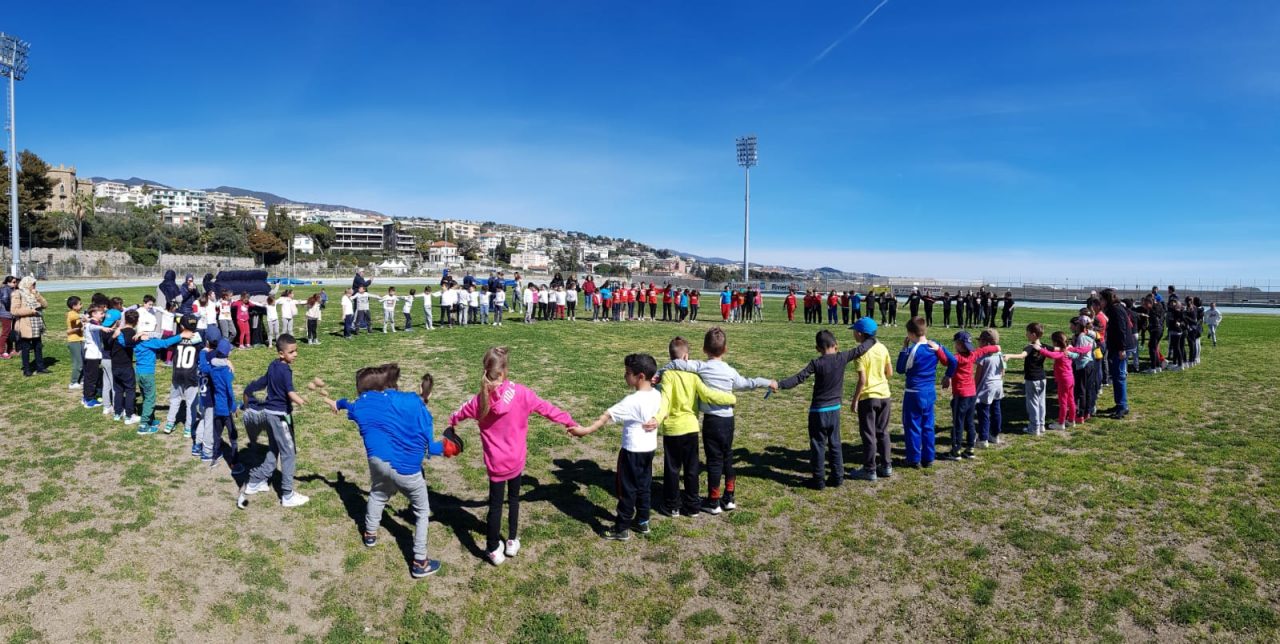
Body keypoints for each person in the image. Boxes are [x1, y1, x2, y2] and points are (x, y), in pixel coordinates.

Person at [446, 347, 578, 565]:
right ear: (504, 372)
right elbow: (547, 408)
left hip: (495, 465)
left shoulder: (478, 401)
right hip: (516, 461)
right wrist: (570, 422)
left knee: (495, 505)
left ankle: (492, 549)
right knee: (514, 500)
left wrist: (451, 427)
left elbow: (456, 414)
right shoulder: (522, 393)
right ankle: (511, 540)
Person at [328, 364, 445, 578]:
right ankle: (420, 562)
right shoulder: (395, 401)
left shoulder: (361, 406)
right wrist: (424, 395)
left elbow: (349, 404)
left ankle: (370, 533)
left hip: (378, 463)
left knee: (378, 494)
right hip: (407, 469)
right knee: (421, 511)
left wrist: (338, 403)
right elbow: (416, 410)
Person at [659, 327, 772, 512]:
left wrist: (659, 372)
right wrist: (767, 382)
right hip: (729, 421)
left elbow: (677, 363)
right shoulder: (730, 371)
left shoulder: (700, 367)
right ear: (725, 349)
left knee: (714, 460)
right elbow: (747, 383)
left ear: (704, 349)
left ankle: (713, 501)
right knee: (728, 457)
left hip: (712, 422)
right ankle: (729, 497)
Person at [569, 353, 664, 541]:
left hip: (631, 453)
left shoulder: (631, 401)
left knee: (627, 489)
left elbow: (605, 417)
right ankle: (643, 521)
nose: (625, 376)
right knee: (644, 486)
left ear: (641, 377)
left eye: (628, 373)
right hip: (648, 451)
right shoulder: (657, 395)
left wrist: (585, 430)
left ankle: (621, 527)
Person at [777, 329, 877, 489]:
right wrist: (872, 338)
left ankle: (818, 480)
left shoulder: (816, 363)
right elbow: (861, 349)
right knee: (835, 444)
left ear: (817, 349)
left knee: (818, 445)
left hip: (818, 412)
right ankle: (837, 477)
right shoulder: (842, 357)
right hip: (834, 410)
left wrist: (780, 384)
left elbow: (798, 378)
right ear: (836, 345)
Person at [242, 334, 310, 507]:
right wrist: (300, 400)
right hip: (279, 416)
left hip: (269, 414)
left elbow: (264, 381)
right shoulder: (285, 370)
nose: (295, 354)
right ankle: (287, 494)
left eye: (296, 351)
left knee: (274, 449)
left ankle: (255, 481)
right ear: (281, 353)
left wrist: (249, 389)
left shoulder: (273, 365)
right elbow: (290, 392)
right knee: (289, 453)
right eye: (292, 352)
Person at [897, 317, 956, 467]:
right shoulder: (935, 346)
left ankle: (914, 459)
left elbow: (899, 369)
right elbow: (953, 361)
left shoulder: (912, 350)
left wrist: (904, 348)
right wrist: (948, 375)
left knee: (913, 426)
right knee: (928, 425)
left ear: (910, 334)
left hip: (914, 392)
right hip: (929, 391)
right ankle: (929, 458)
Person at [126, 310, 191, 433]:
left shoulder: (136, 342)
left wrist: (143, 333)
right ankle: (144, 425)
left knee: (146, 396)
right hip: (147, 374)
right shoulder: (150, 343)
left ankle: (150, 419)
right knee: (150, 398)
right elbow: (166, 343)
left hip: (138, 373)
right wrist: (181, 336)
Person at [940, 331, 1001, 461]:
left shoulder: (956, 358)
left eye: (956, 343)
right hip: (972, 394)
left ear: (959, 344)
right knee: (970, 422)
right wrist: (996, 347)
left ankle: (956, 451)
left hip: (960, 395)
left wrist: (939, 348)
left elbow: (945, 361)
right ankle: (970, 449)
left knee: (958, 423)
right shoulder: (973, 354)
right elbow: (985, 349)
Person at [849, 317, 893, 482]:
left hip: (868, 397)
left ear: (859, 334)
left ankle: (869, 469)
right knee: (882, 432)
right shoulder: (882, 348)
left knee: (868, 434)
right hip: (885, 396)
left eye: (854, 331)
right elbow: (890, 372)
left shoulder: (860, 352)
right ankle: (887, 465)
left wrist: (855, 400)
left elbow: (862, 380)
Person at [1003, 323, 1049, 436]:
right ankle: (1041, 425)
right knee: (1041, 402)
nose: (1026, 334)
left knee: (1032, 403)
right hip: (1042, 378)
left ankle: (1034, 428)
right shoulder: (1045, 346)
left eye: (1027, 332)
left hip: (1032, 379)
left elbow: (1022, 355)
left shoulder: (1029, 347)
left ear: (1033, 334)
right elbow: (1059, 348)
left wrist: (1009, 356)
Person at [1040, 332, 1091, 430]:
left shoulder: (1061, 353)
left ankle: (1061, 423)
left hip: (1063, 380)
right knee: (1071, 400)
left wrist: (1041, 350)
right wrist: (1089, 346)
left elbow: (1051, 355)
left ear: (1055, 342)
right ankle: (1071, 420)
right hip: (1071, 378)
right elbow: (1080, 349)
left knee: (1063, 402)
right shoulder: (1069, 349)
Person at [164, 314, 203, 436]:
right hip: (191, 374)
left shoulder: (177, 338)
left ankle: (170, 423)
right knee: (191, 402)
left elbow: (166, 344)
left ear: (181, 326)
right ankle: (188, 427)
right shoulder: (197, 339)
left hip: (177, 373)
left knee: (175, 400)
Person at [1101, 288, 1135, 419]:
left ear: (1107, 299)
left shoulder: (1116, 310)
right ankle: (1119, 403)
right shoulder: (1114, 309)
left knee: (1120, 376)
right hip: (1117, 347)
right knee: (1116, 376)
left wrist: (1122, 349)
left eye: (1102, 299)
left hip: (1121, 348)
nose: (1100, 302)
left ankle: (1122, 406)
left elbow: (1121, 330)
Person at [973, 329, 1007, 446]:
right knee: (996, 410)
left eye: (980, 341)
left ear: (985, 343)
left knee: (983, 412)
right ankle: (995, 435)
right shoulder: (1000, 355)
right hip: (998, 385)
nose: (978, 344)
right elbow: (1003, 372)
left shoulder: (983, 357)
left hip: (986, 387)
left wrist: (974, 387)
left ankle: (983, 439)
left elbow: (978, 375)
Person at [10, 276, 50, 377]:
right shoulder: (17, 293)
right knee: (26, 347)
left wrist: (37, 295)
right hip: (25, 324)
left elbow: (45, 305)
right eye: (33, 284)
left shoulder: (34, 294)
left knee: (38, 346)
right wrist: (31, 311)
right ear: (27, 284)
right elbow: (14, 311)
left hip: (36, 323)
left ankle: (40, 367)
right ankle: (27, 369)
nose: (34, 286)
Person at [81, 304, 107, 408]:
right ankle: (89, 400)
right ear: (93, 314)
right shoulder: (91, 323)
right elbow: (92, 327)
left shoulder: (93, 322)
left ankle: (86, 397)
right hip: (92, 355)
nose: (103, 315)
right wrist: (102, 328)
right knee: (91, 378)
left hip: (93, 354)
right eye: (101, 313)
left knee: (89, 377)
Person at [66, 296, 85, 390]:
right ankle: (73, 382)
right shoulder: (71, 313)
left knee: (83, 361)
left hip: (80, 339)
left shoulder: (76, 313)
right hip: (74, 341)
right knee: (78, 362)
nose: (82, 305)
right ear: (74, 306)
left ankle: (81, 379)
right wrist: (84, 316)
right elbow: (74, 317)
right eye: (80, 304)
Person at [0, 275, 17, 360]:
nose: (15, 283)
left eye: (15, 282)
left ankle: (10, 349)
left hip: (10, 314)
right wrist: (11, 307)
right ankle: (1, 352)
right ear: (8, 282)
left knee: (9, 333)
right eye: (13, 282)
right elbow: (5, 300)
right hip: (5, 314)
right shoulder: (5, 289)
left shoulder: (11, 289)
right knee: (5, 333)